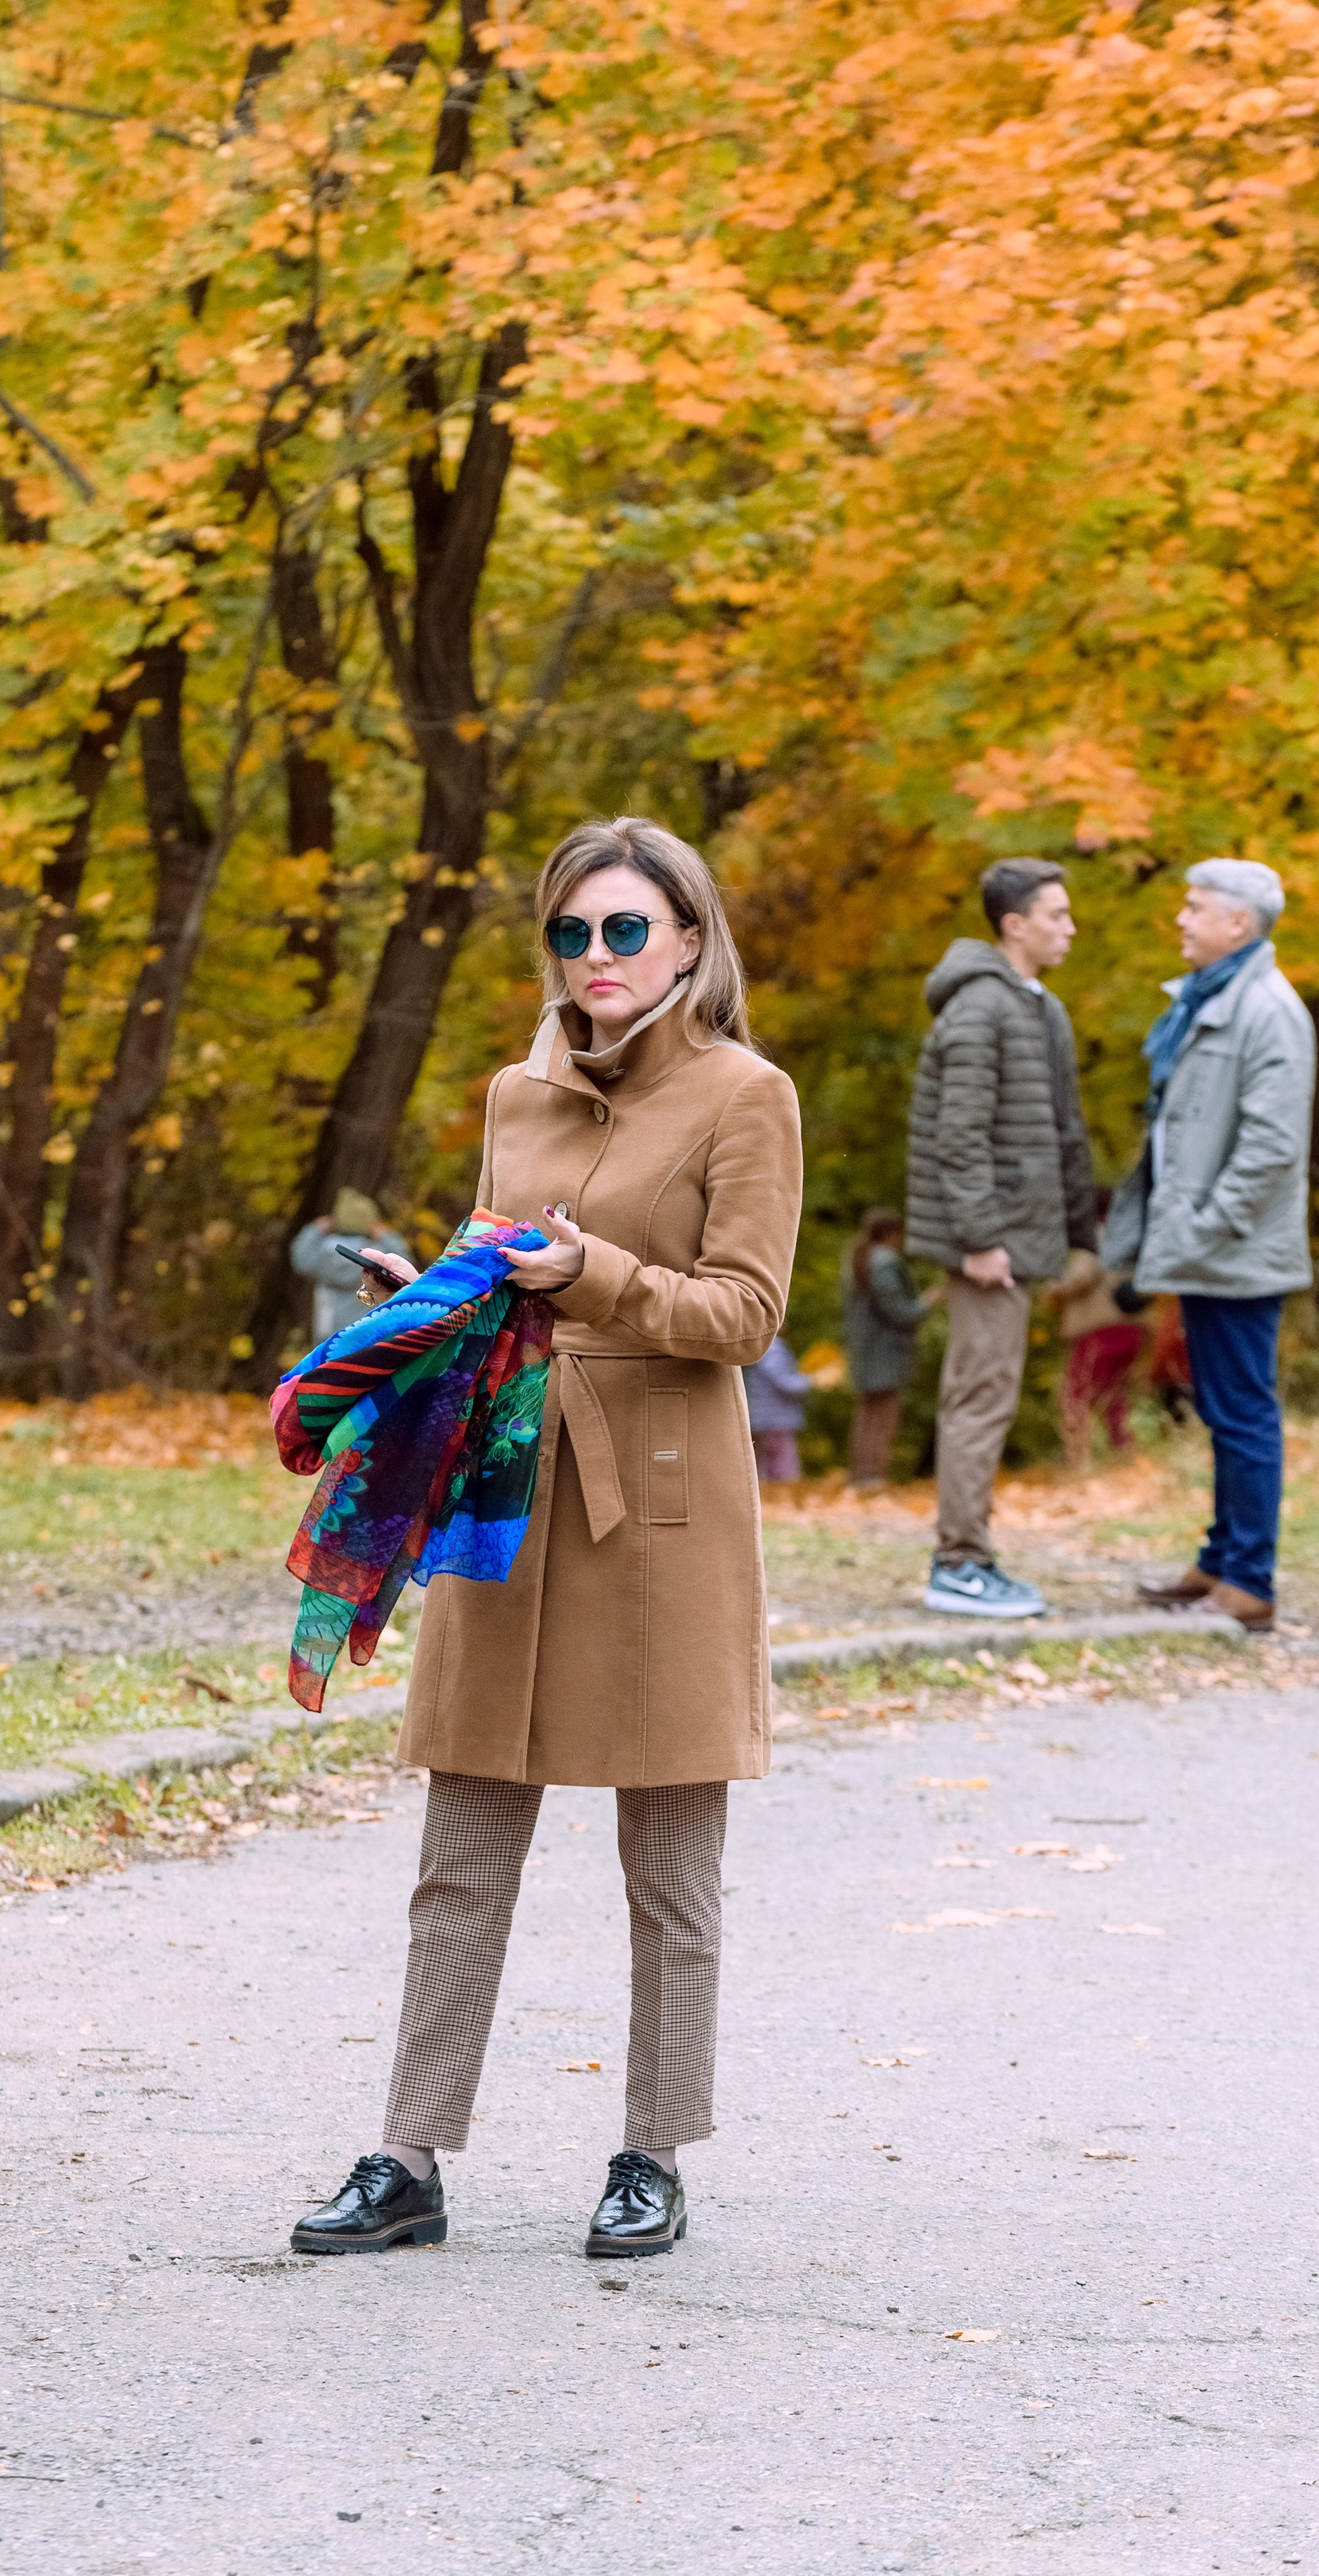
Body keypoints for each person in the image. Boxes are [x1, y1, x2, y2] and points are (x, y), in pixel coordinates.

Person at [289, 816, 803, 2263]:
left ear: (688, 941)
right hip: (502, 1478)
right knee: (460, 1844)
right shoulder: (518, 1090)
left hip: (659, 1500)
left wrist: (603, 1273)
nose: (595, 960)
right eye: (572, 935)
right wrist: (434, 1287)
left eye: (624, 931)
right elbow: (500, 1263)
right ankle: (407, 2156)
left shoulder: (743, 1095)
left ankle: (651, 2153)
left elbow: (744, 1316)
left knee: (668, 1863)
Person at [1101, 858, 1314, 1633]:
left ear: (1239, 924)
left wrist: (1204, 1223)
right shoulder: (1212, 1000)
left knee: (1242, 1409)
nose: (1182, 921)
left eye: (1195, 909)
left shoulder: (1268, 1009)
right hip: (1206, 1245)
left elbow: (1271, 1145)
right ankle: (1221, 1558)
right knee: (1222, 1406)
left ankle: (1249, 1579)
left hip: (1234, 1249)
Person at [905, 857, 1096, 1617]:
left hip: (1017, 1239)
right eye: (1057, 914)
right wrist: (982, 1239)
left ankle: (967, 1557)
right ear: (1014, 924)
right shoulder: (982, 1009)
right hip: (993, 1247)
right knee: (979, 1397)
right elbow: (960, 1137)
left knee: (987, 1393)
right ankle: (958, 1564)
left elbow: (1053, 1130)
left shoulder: (1028, 1005)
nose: (1070, 927)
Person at [840, 1206, 940, 1490]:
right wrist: (926, 1303)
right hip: (885, 1349)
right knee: (885, 1412)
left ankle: (861, 1474)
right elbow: (899, 1311)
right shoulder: (885, 1262)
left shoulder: (858, 1258)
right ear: (892, 1233)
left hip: (864, 1347)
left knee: (866, 1412)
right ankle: (873, 1475)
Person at [1049, 1243, 1144, 1460]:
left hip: (1098, 1325)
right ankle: (1122, 1451)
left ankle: (1077, 1455)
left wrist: (1054, 1288)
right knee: (1115, 1393)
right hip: (1133, 1325)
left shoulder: (1100, 1236)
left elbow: (1082, 1276)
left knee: (1077, 1391)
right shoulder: (1136, 1231)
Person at [289, 1189, 412, 1344]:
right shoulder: (376, 1255)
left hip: (327, 1335)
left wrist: (316, 1228)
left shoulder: (323, 1252)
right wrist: (385, 1234)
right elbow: (402, 1262)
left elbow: (300, 1256)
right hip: (366, 1333)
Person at [743, 1331, 810, 1482]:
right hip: (777, 1417)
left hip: (763, 1416)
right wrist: (808, 1382)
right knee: (784, 1460)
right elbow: (783, 1382)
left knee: (766, 1459)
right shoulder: (775, 1349)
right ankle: (785, 1489)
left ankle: (765, 1491)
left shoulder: (759, 1348)